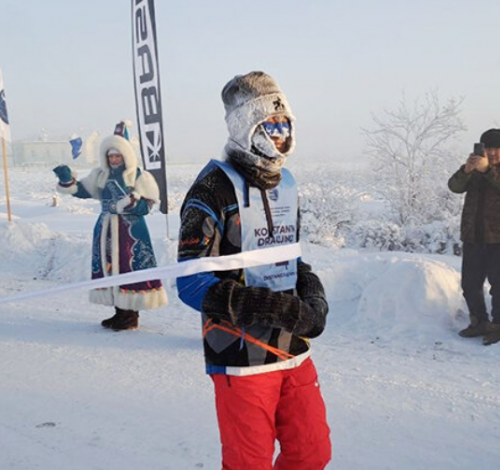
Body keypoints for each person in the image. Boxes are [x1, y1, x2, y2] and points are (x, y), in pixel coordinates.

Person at [177, 71, 331, 470]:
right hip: (239, 353)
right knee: (250, 462)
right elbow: (192, 283)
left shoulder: (287, 184)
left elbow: (289, 258)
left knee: (311, 452)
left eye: (285, 125)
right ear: (248, 128)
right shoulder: (211, 189)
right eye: (270, 125)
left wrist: (311, 293)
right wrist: (269, 307)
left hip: (291, 346)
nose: (281, 135)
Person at [52, 124, 168, 331]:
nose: (114, 160)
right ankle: (119, 312)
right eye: (110, 156)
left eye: (117, 156)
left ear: (126, 156)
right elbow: (82, 191)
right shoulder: (101, 175)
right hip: (106, 230)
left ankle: (130, 315)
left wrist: (131, 202)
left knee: (129, 267)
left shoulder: (139, 177)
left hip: (131, 233)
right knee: (110, 269)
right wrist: (67, 180)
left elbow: (146, 207)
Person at [448, 128, 500, 346]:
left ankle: (497, 325)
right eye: (487, 148)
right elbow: (454, 186)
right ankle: (478, 321)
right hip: (474, 236)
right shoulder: (475, 168)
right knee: (470, 284)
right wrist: (467, 169)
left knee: (499, 287)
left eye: (496, 148)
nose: (491, 152)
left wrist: (487, 169)